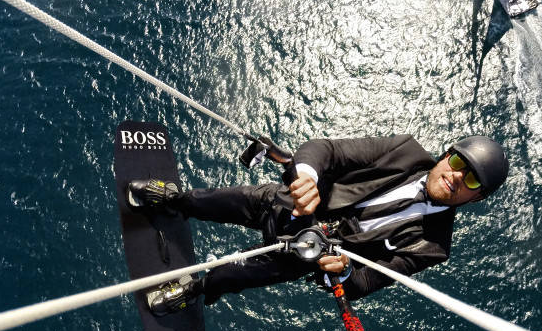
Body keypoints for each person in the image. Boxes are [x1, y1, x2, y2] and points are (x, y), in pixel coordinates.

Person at [128, 134, 509, 314]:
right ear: (445, 155)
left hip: (303, 254)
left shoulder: (432, 246)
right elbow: (328, 150)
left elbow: (364, 283)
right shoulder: (403, 151)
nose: (456, 177)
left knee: (234, 274)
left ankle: (197, 287)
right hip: (288, 203)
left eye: (472, 180)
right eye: (457, 163)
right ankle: (176, 201)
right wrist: (307, 177)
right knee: (216, 200)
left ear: (476, 199)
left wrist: (343, 272)